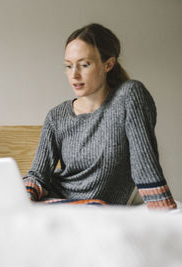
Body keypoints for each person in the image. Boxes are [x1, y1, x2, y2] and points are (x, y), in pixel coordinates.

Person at [23, 23, 176, 209]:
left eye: (84, 65)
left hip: (94, 209)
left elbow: (144, 165)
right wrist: (21, 197)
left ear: (108, 64)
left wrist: (164, 212)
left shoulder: (129, 96)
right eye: (68, 66)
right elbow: (38, 176)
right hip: (58, 204)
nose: (74, 75)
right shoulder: (56, 117)